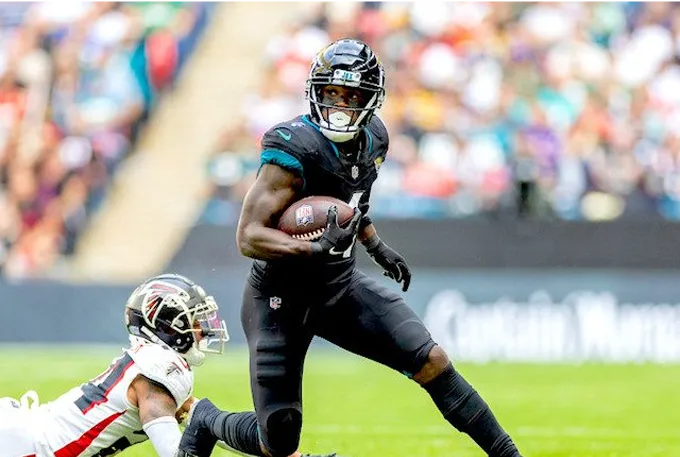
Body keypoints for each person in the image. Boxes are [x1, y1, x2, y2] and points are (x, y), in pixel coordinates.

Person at [178, 38, 523, 457]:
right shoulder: (294, 145)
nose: (341, 105)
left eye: (352, 96)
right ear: (315, 93)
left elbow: (349, 203)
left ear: (370, 101)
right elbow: (248, 235)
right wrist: (313, 250)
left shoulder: (374, 138)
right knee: (279, 441)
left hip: (338, 288)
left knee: (432, 360)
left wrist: (375, 245)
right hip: (279, 299)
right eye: (333, 94)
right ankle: (207, 419)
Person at [0, 273, 229, 457]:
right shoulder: (157, 373)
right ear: (168, 327)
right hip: (26, 448)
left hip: (22, 433)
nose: (203, 331)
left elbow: (208, 423)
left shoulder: (148, 364)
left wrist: (260, 441)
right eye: (195, 321)